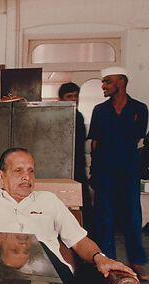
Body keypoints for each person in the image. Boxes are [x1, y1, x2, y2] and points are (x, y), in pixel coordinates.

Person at [0, 148, 138, 284]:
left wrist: (100, 257)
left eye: (31, 171)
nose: (26, 177)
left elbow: (78, 240)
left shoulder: (49, 200)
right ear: (1, 176)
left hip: (48, 274)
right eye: (18, 171)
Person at [88, 66, 149, 280]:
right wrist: (94, 171)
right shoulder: (99, 110)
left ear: (121, 82)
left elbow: (135, 138)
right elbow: (95, 143)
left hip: (129, 171)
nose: (104, 86)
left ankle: (136, 261)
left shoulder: (139, 109)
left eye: (107, 81)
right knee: (104, 218)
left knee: (132, 216)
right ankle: (109, 262)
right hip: (105, 171)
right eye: (103, 82)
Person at [58, 82, 93, 234]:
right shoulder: (60, 117)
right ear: (61, 99)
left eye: (75, 96)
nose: (74, 99)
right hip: (62, 168)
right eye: (69, 96)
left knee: (82, 205)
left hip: (77, 168)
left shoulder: (78, 117)